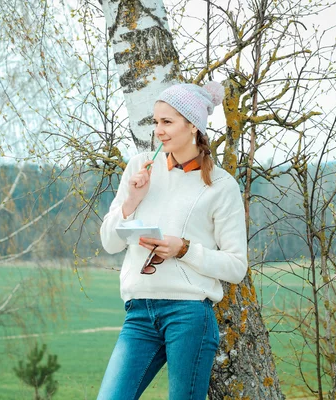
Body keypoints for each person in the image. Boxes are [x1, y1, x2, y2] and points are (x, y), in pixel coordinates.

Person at [97, 81, 248, 400]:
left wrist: (185, 249)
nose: (158, 130)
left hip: (189, 314)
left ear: (192, 125)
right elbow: (110, 242)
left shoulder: (221, 185)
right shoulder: (140, 168)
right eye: (155, 122)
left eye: (167, 122)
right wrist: (132, 201)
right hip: (139, 312)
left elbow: (236, 267)